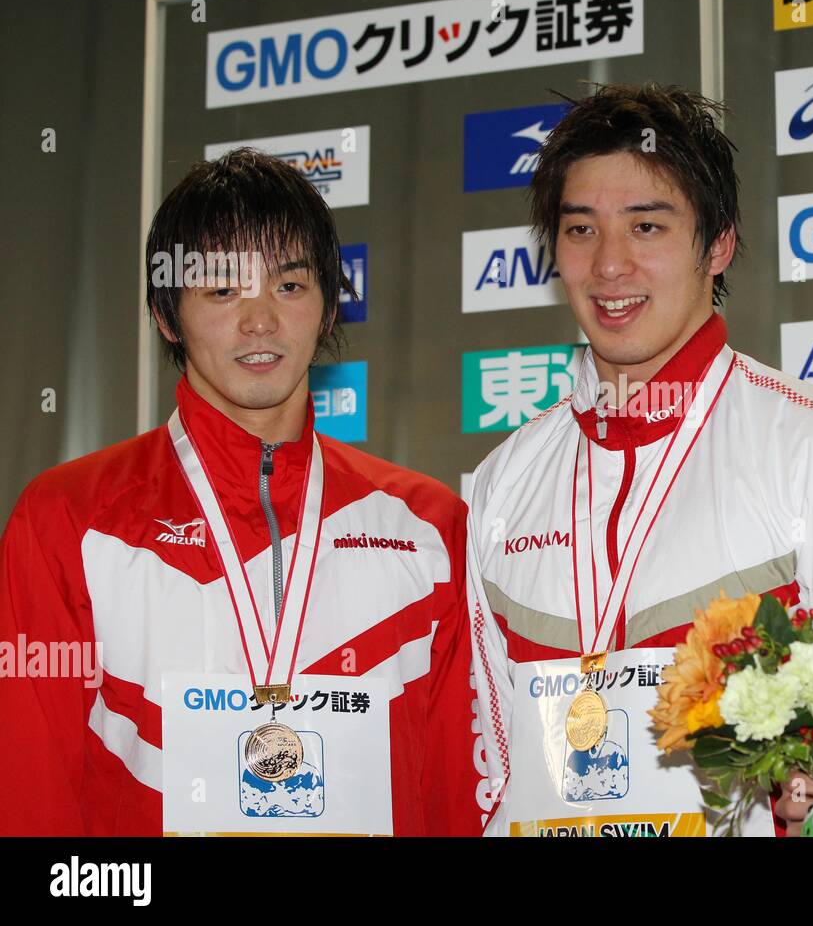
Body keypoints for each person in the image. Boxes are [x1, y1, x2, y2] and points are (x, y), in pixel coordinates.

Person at [466, 83, 813, 836]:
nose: (610, 265)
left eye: (647, 226)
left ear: (718, 244)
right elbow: (494, 775)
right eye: (580, 231)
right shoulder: (502, 485)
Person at [0, 149, 480, 835]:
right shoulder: (68, 520)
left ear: (328, 304)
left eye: (289, 286)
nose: (260, 321)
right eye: (223, 290)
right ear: (169, 315)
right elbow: (30, 796)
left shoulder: (429, 528)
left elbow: (454, 796)